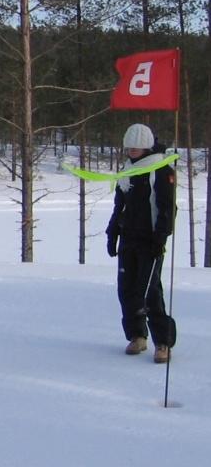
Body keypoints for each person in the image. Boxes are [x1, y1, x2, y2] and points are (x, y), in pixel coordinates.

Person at [106, 123, 176, 364]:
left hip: (150, 241)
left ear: (146, 147)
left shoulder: (160, 169)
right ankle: (137, 336)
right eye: (129, 147)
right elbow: (120, 205)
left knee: (149, 291)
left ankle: (163, 342)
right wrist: (113, 231)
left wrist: (161, 237)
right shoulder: (127, 170)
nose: (131, 151)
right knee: (126, 289)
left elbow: (168, 208)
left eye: (136, 147)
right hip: (128, 239)